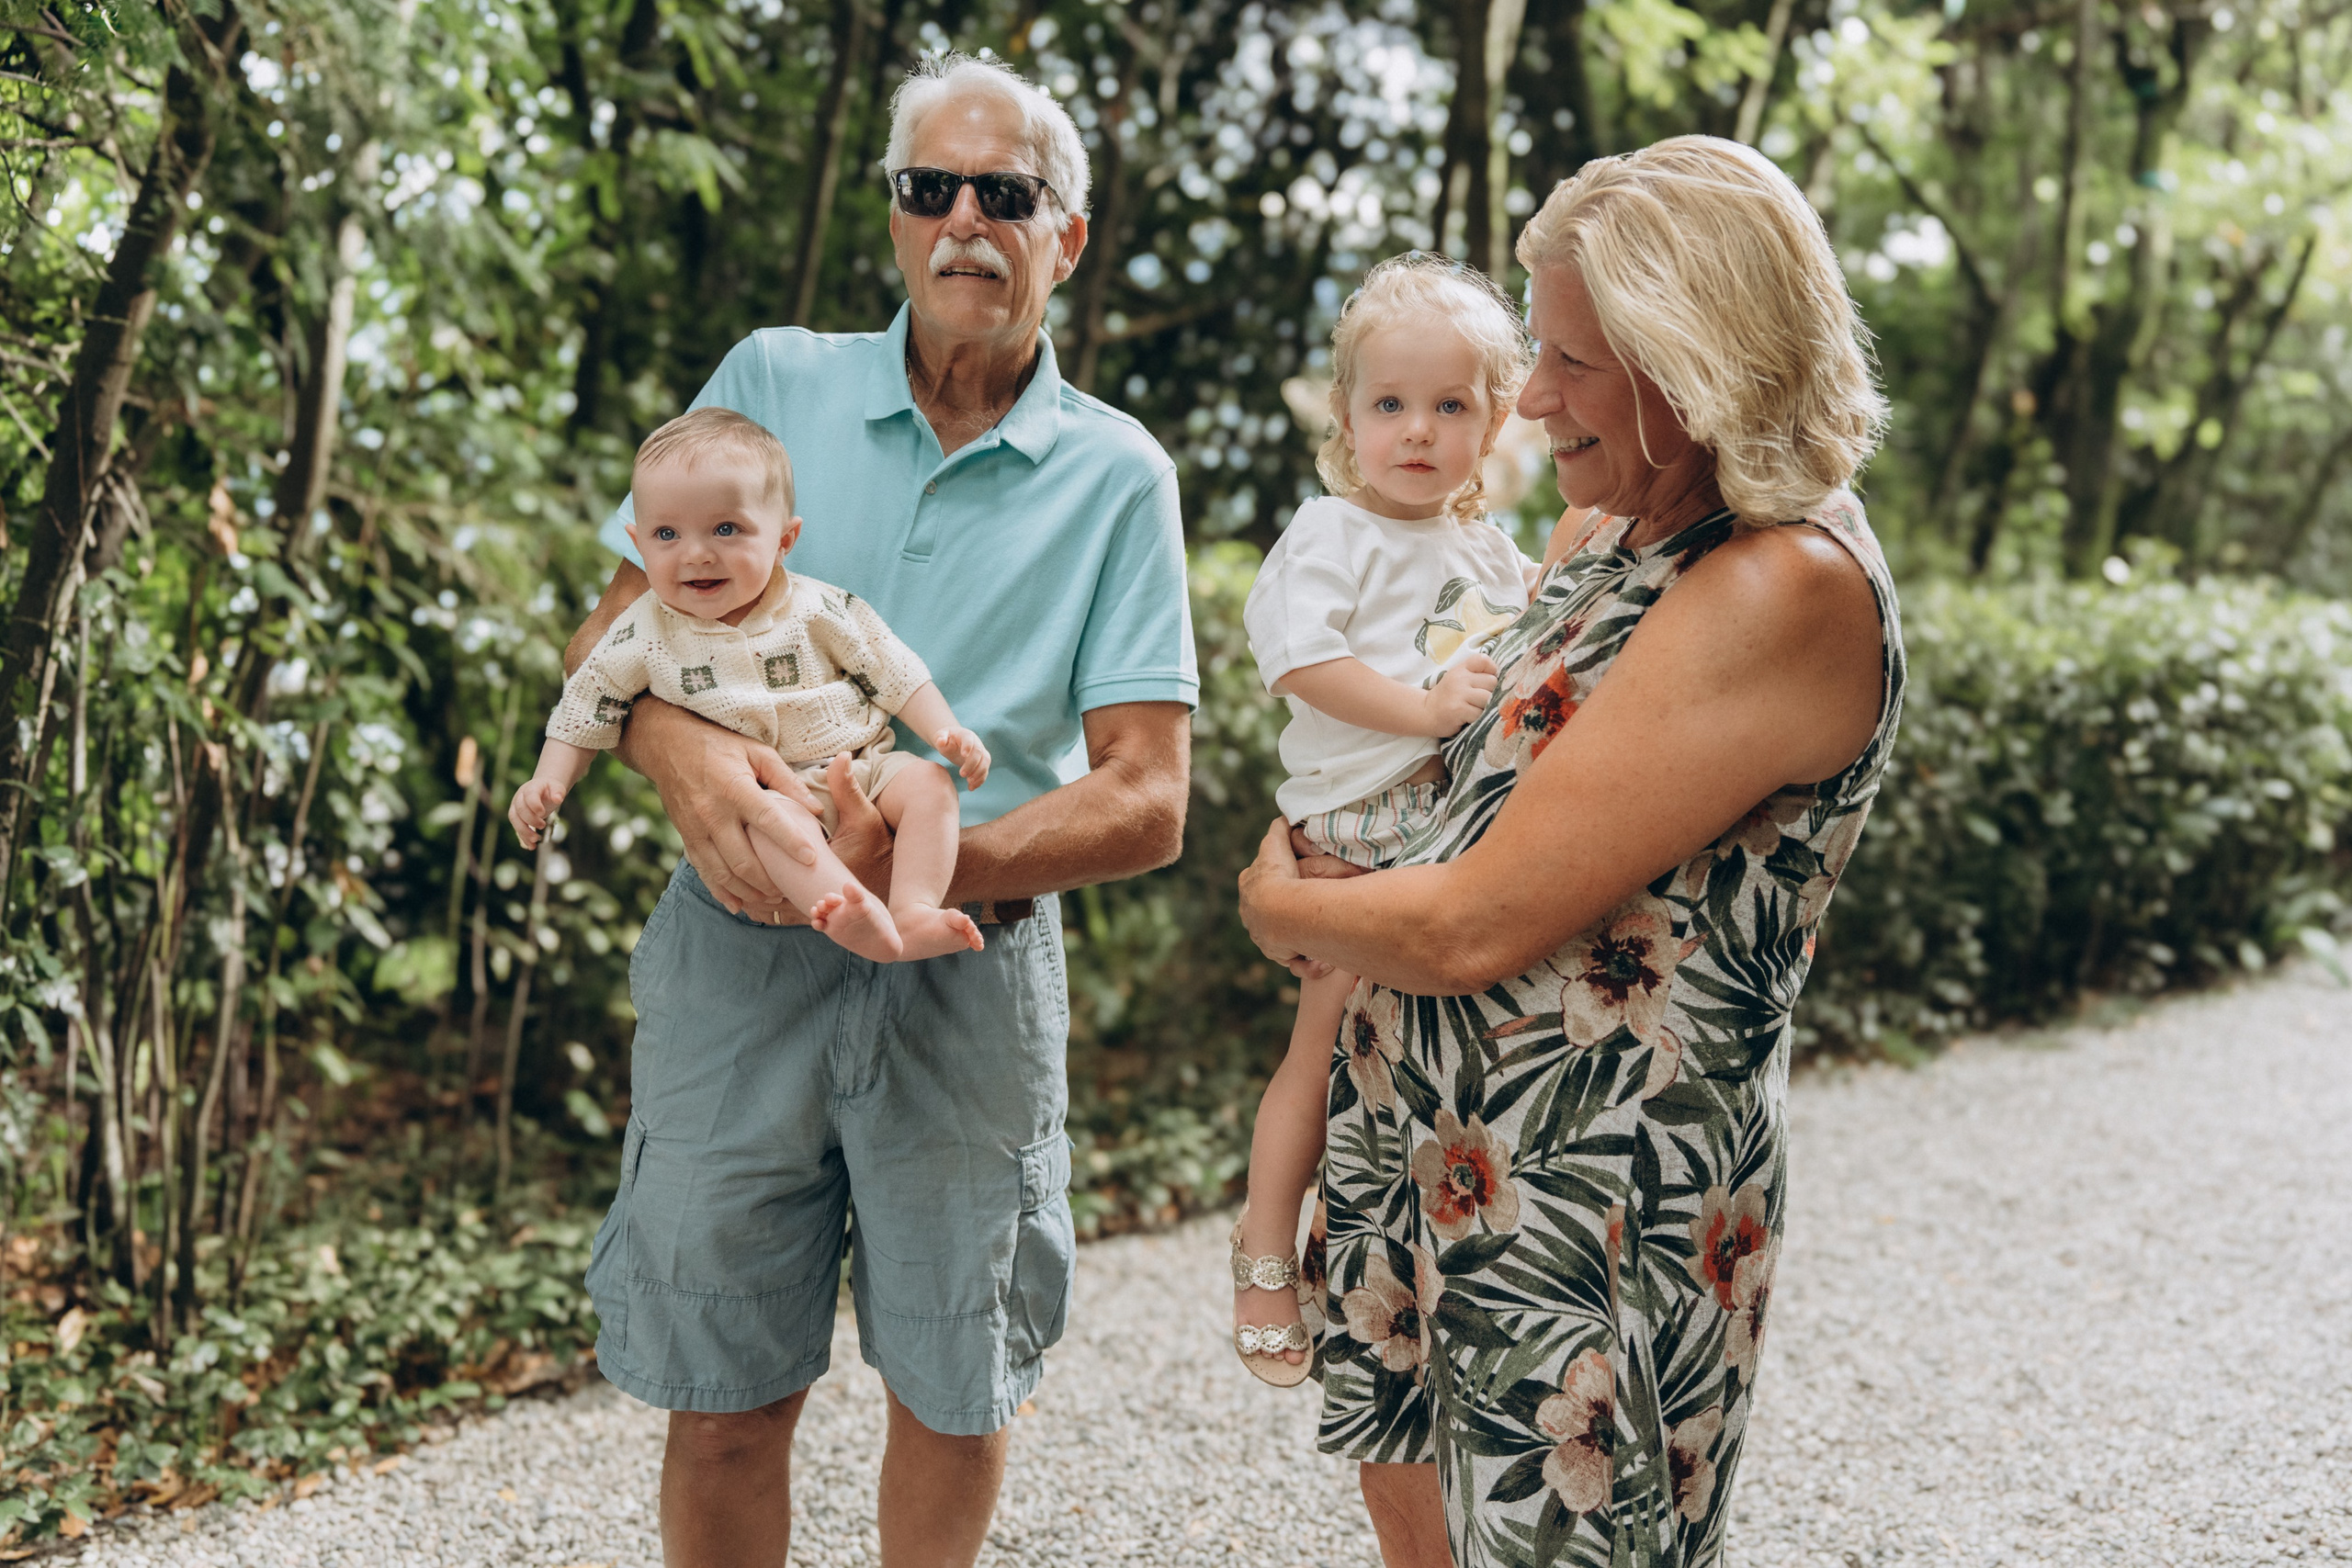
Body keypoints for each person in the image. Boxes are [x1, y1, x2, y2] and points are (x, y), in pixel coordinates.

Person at [1237, 135, 1904, 1568]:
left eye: (1570, 362)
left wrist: (1276, 898)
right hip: (1431, 1149)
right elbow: (1451, 748)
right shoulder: (1615, 524)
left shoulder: (1778, 583)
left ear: (1698, 359)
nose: (1530, 400)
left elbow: (1473, 924)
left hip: (1582, 1196)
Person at [567, 53, 1194, 1568]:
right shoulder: (773, 381)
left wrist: (915, 864)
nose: (966, 220)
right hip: (735, 961)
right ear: (896, 218)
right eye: (932, 189)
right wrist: (685, 758)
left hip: (967, 973)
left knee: (956, 1384)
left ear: (1068, 233)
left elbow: (1149, 797)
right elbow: (610, 646)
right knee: (720, 1392)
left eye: (1007, 193)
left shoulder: (1118, 473)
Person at [1227, 254, 1533, 1387]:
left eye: (1450, 406)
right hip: (1357, 825)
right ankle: (1265, 1239)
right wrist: (1420, 709)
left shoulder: (1490, 551)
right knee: (1321, 1034)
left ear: (1495, 420)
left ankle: (1416, 1255)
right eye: (1389, 405)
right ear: (1346, 417)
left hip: (1452, 828)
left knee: (1414, 1064)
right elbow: (1300, 662)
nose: (1417, 432)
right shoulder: (1330, 535)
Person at [511, 408, 993, 962]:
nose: (696, 552)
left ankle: (913, 911)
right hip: (765, 792)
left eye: (726, 529)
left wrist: (947, 731)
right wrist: (547, 782)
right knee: (776, 831)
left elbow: (893, 670)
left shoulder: (819, 606)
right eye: (666, 534)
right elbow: (588, 705)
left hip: (865, 766)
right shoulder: (642, 633)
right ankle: (853, 916)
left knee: (931, 784)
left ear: (785, 539)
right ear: (637, 543)